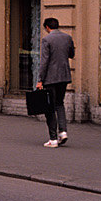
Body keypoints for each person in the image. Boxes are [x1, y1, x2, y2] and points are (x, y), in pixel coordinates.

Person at [36, 17, 74, 147]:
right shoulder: (67, 37)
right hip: (64, 76)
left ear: (47, 27)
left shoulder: (47, 39)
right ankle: (63, 131)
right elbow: (71, 54)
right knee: (59, 104)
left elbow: (44, 61)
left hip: (50, 78)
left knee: (50, 108)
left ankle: (53, 139)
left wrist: (40, 79)